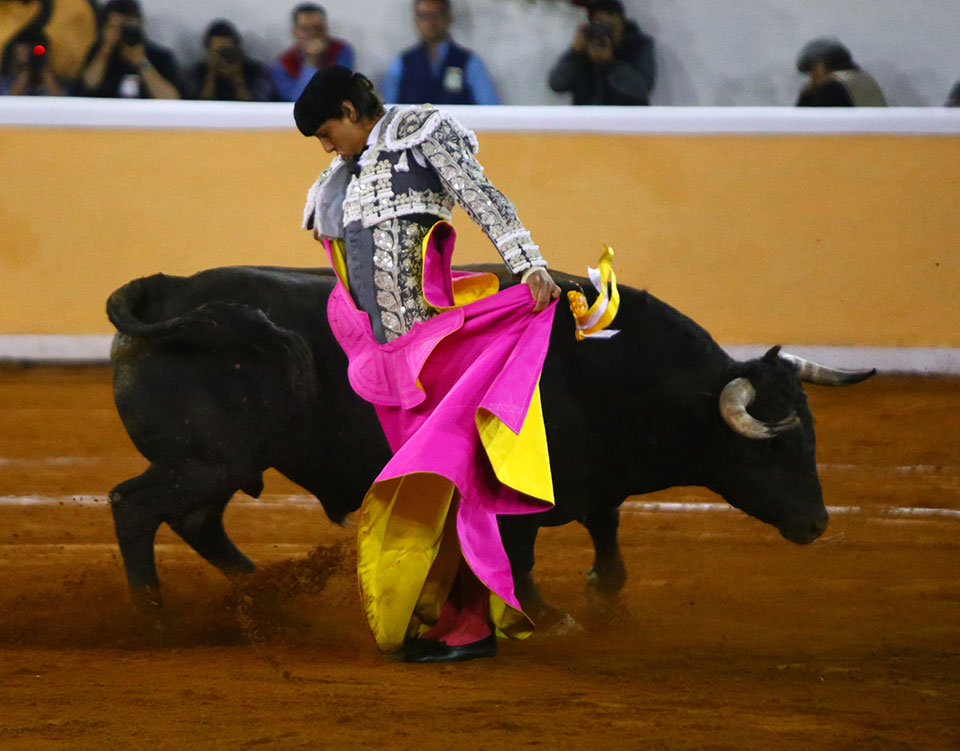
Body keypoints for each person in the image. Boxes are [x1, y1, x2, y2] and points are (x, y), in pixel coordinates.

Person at [295, 66, 561, 662]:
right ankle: (437, 615)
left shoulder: (421, 133)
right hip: (388, 363)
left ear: (349, 107)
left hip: (437, 351)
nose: (326, 144)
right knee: (423, 492)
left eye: (327, 129)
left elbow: (479, 194)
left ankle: (470, 627)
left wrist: (528, 263)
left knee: (449, 490)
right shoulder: (338, 177)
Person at [381, 0, 499, 105]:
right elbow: (388, 110)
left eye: (437, 15)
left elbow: (490, 108)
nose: (431, 22)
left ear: (449, 17)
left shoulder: (469, 62)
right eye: (424, 16)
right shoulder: (401, 64)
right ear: (416, 20)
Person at [548, 0, 655, 106]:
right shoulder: (585, 48)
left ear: (622, 23)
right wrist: (575, 54)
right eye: (599, 24)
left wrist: (610, 65)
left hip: (627, 118)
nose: (605, 31)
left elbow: (642, 89)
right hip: (588, 119)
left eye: (610, 25)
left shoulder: (638, 45)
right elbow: (556, 84)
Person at [78, 0, 181, 99]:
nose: (122, 32)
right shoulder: (99, 54)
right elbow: (88, 85)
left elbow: (171, 99)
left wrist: (142, 63)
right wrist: (106, 48)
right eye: (115, 27)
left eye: (128, 26)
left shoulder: (160, 57)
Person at [271, 3, 354, 101]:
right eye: (305, 29)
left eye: (317, 28)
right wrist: (311, 62)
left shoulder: (341, 51)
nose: (312, 34)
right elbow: (298, 99)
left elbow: (338, 90)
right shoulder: (283, 63)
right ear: (295, 32)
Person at [183, 20, 275, 102]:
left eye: (226, 51)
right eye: (215, 52)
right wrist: (211, 75)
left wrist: (237, 78)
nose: (221, 57)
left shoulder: (255, 71)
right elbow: (196, 106)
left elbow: (257, 105)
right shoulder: (196, 73)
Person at [795, 38, 886, 107]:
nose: (811, 77)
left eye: (812, 70)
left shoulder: (832, 87)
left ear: (821, 65)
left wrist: (809, 94)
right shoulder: (863, 78)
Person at [0, 29, 67, 96]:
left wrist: (44, 69)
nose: (31, 56)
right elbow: (9, 100)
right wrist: (26, 71)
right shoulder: (6, 81)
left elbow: (62, 100)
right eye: (22, 52)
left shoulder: (58, 81)